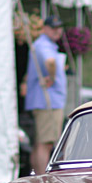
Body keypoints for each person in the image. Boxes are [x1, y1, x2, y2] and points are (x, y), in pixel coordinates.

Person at [25, 15, 67, 174]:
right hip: (48, 100)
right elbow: (50, 62)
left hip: (44, 100)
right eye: (53, 28)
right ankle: (42, 178)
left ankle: (37, 176)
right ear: (45, 29)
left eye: (59, 27)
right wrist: (53, 77)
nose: (57, 31)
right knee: (46, 143)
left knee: (41, 142)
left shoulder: (44, 45)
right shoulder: (44, 45)